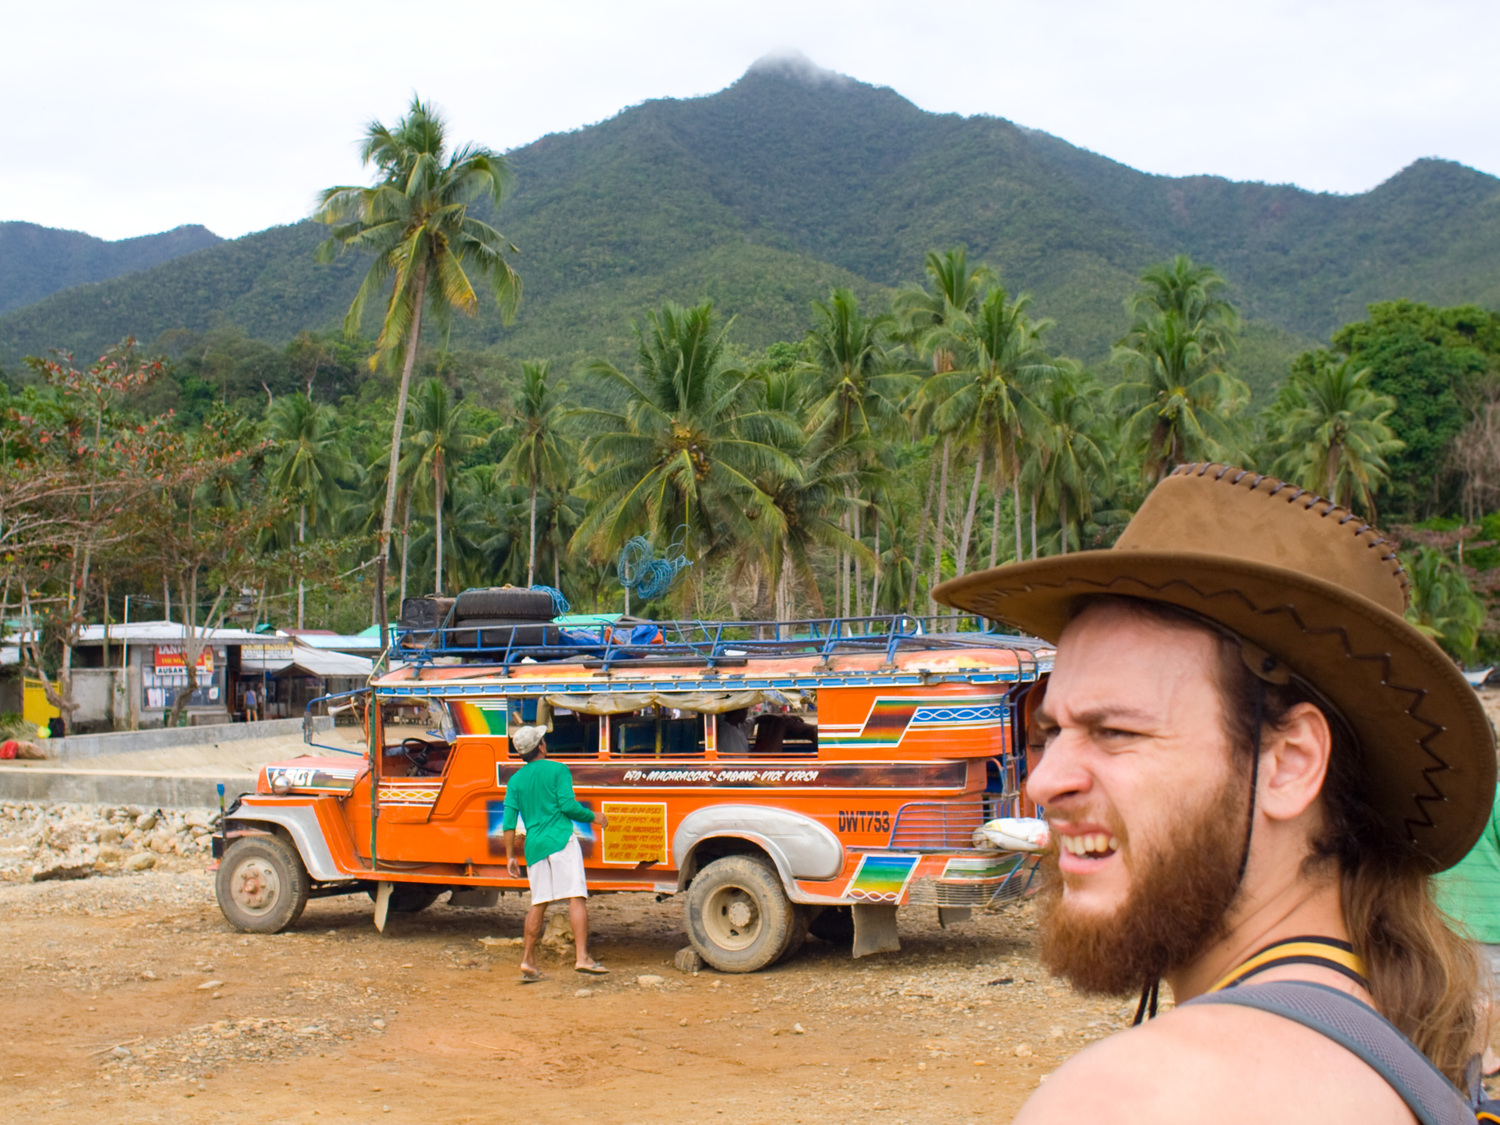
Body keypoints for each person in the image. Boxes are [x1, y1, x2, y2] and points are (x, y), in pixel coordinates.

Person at [934, 462, 1496, 1123]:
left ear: (1290, 763)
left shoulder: (1137, 1100)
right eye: (1050, 729)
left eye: (1114, 730)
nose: (1045, 780)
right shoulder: (1404, 1048)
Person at [502, 724, 611, 982]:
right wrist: (594, 817)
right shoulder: (558, 769)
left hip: (535, 847)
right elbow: (568, 806)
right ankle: (582, 957)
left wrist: (510, 856)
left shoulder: (515, 780)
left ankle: (528, 960)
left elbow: (508, 822)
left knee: (539, 902)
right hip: (561, 840)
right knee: (575, 896)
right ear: (541, 746)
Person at [1435, 781, 1500, 1077]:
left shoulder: (1440, 797)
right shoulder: (1495, 795)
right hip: (1489, 916)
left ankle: (1468, 1057)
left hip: (1445, 914)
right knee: (1487, 997)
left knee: (1457, 994)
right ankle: (1480, 1061)